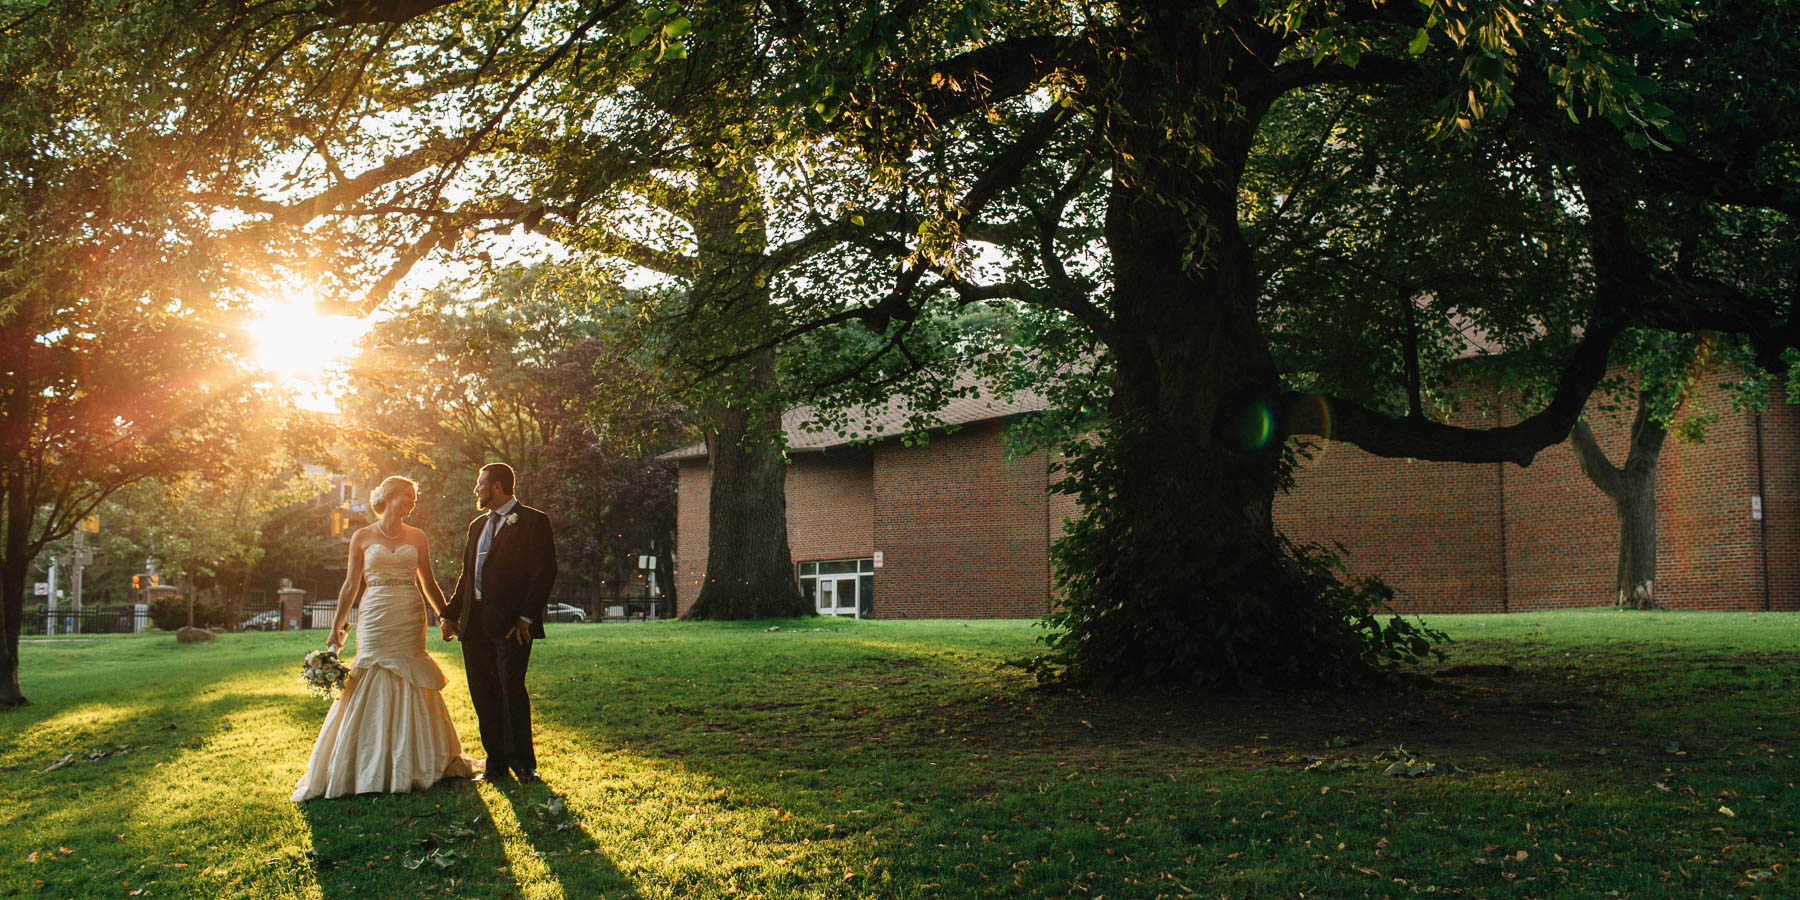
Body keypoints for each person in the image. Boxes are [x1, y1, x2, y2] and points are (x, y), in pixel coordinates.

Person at [293, 475, 475, 801]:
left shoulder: (418, 537)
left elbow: (429, 583)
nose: (411, 502)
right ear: (389, 496)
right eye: (407, 495)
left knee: (412, 672)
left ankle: (417, 761)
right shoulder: (361, 537)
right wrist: (336, 627)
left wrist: (446, 615)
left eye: (414, 498)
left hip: (408, 611)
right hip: (375, 612)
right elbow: (351, 585)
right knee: (369, 671)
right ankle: (364, 764)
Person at [442, 462, 557, 784]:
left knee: (511, 691)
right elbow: (468, 575)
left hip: (511, 626)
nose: (475, 490)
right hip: (474, 624)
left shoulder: (534, 521)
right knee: (483, 693)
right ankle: (495, 764)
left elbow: (544, 572)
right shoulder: (477, 526)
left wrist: (525, 617)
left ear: (496, 487)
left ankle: (523, 763)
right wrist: (450, 614)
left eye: (480, 484)